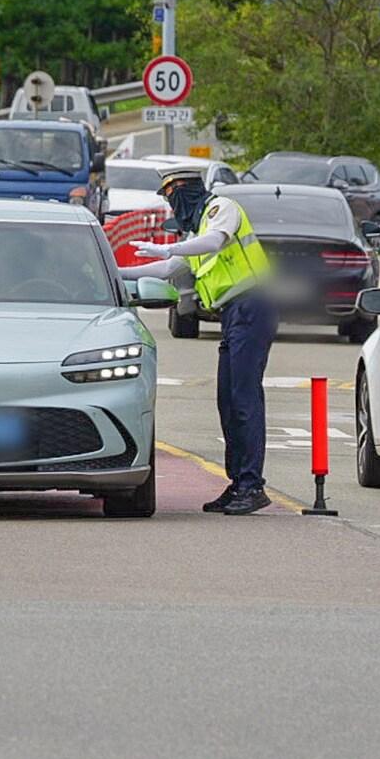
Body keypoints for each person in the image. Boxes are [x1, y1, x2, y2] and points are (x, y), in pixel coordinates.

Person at [129, 167, 276, 515]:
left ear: (183, 190)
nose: (170, 206)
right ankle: (239, 482)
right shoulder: (198, 229)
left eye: (170, 197)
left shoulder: (220, 209)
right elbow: (166, 271)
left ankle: (252, 485)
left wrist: (167, 248)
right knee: (227, 401)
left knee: (244, 399)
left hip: (253, 307)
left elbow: (214, 242)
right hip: (233, 315)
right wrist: (108, 270)